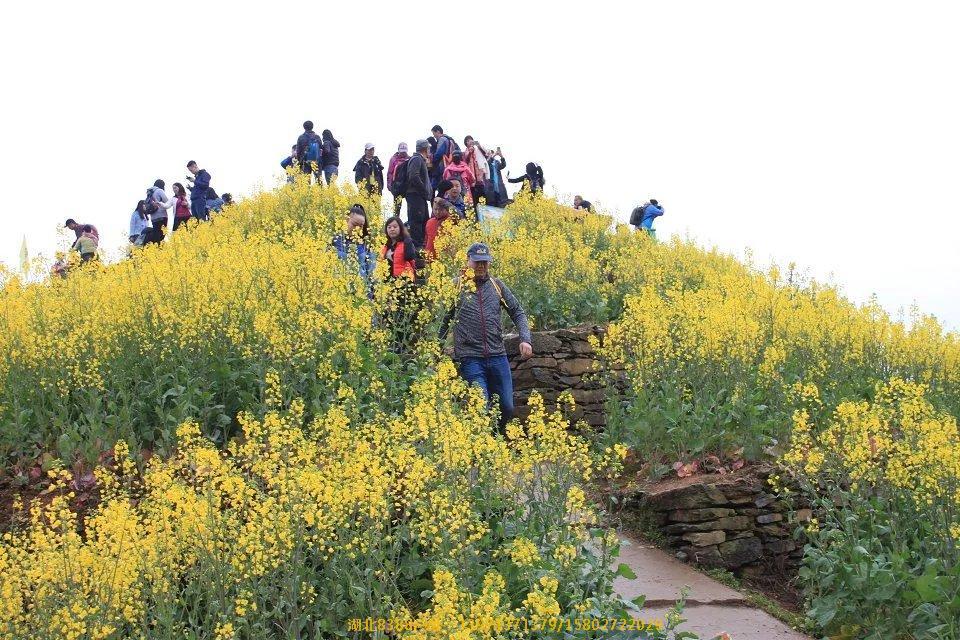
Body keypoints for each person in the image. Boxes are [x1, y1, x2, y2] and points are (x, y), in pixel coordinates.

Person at [441, 242, 532, 428]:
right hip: (470, 358)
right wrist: (435, 348)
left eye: (485, 262)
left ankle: (497, 444)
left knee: (506, 406)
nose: (481, 266)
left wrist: (525, 339)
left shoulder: (496, 285)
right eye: (477, 262)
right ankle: (487, 450)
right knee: (480, 408)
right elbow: (444, 320)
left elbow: (517, 311)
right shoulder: (456, 287)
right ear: (468, 261)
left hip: (498, 356)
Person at [332, 204, 376, 298]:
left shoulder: (366, 245)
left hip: (362, 293)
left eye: (360, 226)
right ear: (346, 220)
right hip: (339, 293)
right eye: (354, 224)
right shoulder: (334, 241)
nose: (357, 229)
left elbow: (371, 272)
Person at [403, 140, 432, 248]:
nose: (430, 151)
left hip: (419, 196)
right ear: (425, 149)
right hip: (415, 196)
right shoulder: (416, 159)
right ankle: (417, 249)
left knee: (423, 221)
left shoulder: (420, 160)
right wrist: (424, 190)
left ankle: (421, 248)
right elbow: (413, 176)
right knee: (416, 223)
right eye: (428, 148)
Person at [430, 125, 459, 196]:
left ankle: (436, 204)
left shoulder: (442, 139)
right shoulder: (450, 139)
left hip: (441, 166)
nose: (434, 137)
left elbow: (439, 153)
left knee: (437, 187)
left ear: (438, 131)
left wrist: (432, 159)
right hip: (451, 166)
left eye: (434, 134)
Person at [463, 136, 491, 208]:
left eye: (471, 140)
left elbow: (487, 154)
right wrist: (470, 151)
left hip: (480, 176)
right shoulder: (466, 151)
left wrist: (479, 145)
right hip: (472, 179)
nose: (470, 141)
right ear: (466, 143)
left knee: (483, 195)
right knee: (474, 197)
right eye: (468, 141)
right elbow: (466, 159)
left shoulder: (478, 149)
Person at [387, 142, 410, 214]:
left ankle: (409, 223)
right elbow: (390, 172)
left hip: (407, 186)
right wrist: (389, 184)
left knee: (410, 206)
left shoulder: (410, 159)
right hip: (397, 186)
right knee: (397, 207)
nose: (403, 153)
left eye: (404, 151)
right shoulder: (393, 159)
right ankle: (395, 221)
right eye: (401, 151)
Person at [145, 179, 169, 244]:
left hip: (153, 217)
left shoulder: (150, 192)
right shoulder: (159, 191)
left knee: (156, 234)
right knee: (162, 234)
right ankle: (158, 248)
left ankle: (155, 248)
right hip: (162, 216)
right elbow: (167, 201)